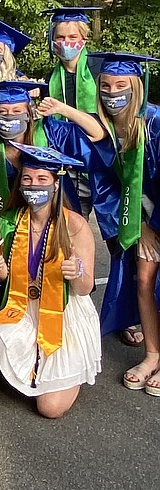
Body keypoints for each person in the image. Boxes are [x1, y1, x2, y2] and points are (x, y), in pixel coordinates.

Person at [0, 143, 101, 417]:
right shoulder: (10, 221)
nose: (33, 185)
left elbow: (85, 289)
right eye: (27, 179)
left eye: (41, 179)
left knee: (49, 408)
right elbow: (6, 280)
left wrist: (77, 273)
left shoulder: (74, 225)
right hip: (24, 307)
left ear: (55, 185)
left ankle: (73, 370)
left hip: (63, 313)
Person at [87, 53, 160, 385]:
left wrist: (154, 225)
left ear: (135, 87)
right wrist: (139, 226)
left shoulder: (155, 122)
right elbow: (105, 185)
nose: (112, 92)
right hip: (142, 218)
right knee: (144, 280)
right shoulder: (107, 130)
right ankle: (152, 356)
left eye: (121, 85)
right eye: (105, 86)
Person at [0, 80, 110, 215]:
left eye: (17, 110)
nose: (9, 116)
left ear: (29, 115)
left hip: (59, 216)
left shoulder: (49, 132)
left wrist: (63, 109)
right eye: (2, 111)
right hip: (11, 223)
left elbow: (98, 133)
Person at [43, 7, 103, 218]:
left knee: (117, 235)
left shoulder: (101, 70)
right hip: (70, 167)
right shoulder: (50, 78)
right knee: (74, 231)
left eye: (72, 36)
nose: (65, 42)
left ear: (84, 39)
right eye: (60, 37)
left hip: (104, 164)